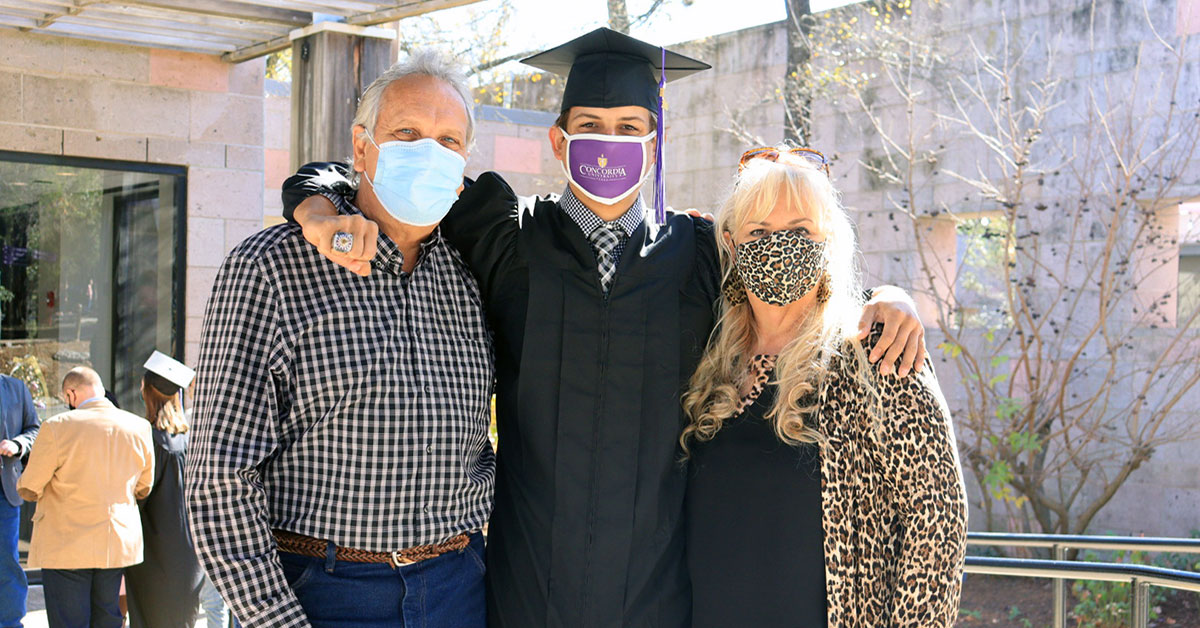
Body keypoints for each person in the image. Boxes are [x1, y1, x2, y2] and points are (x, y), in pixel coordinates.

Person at [282, 28, 928, 628]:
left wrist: (888, 297)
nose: (609, 141)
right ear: (559, 141)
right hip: (527, 581)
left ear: (654, 141)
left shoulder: (701, 249)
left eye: (629, 127)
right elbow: (394, 171)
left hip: (658, 589)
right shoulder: (503, 230)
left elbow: (791, 287)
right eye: (590, 126)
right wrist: (313, 203)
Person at [185, 50, 494, 628]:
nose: (429, 153)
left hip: (459, 586)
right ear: (360, 147)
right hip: (322, 592)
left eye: (449, 141)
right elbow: (220, 476)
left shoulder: (476, 276)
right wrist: (277, 619)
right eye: (407, 133)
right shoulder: (272, 269)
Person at [681, 147, 968, 627]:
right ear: (731, 245)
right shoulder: (708, 356)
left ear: (828, 240)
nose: (779, 245)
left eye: (800, 231)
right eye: (759, 231)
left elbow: (936, 522)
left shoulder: (876, 354)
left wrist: (892, 296)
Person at [16, 367, 155, 628]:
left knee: (68, 621)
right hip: (116, 541)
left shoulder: (56, 427)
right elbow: (144, 486)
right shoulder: (139, 427)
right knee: (108, 617)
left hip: (66, 542)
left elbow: (30, 486)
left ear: (71, 393)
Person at [124, 351, 204, 628]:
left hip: (153, 553)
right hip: (188, 552)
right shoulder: (191, 439)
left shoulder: (149, 439)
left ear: (145, 392)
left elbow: (138, 495)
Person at [0, 375, 39, 628]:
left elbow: (34, 430)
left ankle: (11, 624)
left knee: (7, 565)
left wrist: (18, 444)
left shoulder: (15, 387)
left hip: (5, 493)